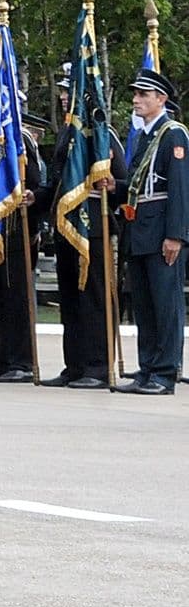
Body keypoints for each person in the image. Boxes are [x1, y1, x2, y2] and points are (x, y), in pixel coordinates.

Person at [45, 63, 122, 387]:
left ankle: (98, 366)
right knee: (71, 299)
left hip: (93, 225)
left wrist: (113, 186)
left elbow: (122, 180)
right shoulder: (67, 133)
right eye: (63, 92)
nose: (64, 97)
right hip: (68, 225)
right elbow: (58, 179)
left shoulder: (104, 137)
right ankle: (75, 364)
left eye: (70, 92)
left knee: (93, 297)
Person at [111, 69, 187, 394]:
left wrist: (176, 235)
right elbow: (139, 187)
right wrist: (116, 186)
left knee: (165, 304)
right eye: (136, 94)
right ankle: (147, 368)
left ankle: (165, 372)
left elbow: (180, 189)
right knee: (144, 304)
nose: (136, 100)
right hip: (140, 230)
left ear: (161, 99)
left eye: (144, 94)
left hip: (161, 232)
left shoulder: (174, 135)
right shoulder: (145, 136)